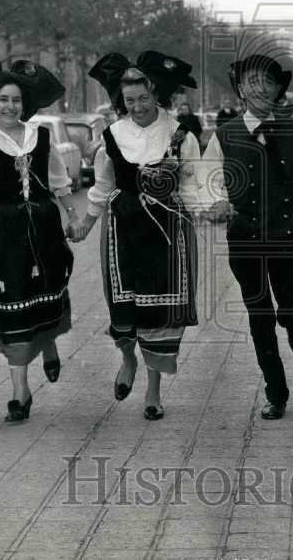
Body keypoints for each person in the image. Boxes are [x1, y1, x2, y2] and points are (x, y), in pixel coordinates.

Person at [76, 50, 202, 420]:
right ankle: (127, 359)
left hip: (166, 231)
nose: (137, 106)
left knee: (159, 313)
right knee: (125, 310)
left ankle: (153, 390)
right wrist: (85, 223)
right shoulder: (113, 135)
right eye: (129, 100)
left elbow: (193, 183)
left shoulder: (180, 134)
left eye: (143, 98)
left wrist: (204, 212)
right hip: (123, 229)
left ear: (155, 96)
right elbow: (101, 187)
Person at [0, 55, 79, 423]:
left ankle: (50, 343)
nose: (10, 107)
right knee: (13, 306)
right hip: (5, 233)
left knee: (48, 292)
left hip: (44, 229)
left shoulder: (40, 136)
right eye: (3, 100)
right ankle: (20, 391)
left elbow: (58, 182)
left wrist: (71, 214)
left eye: (16, 100)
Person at [200, 54, 293, 420]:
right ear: (240, 90)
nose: (259, 88)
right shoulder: (224, 134)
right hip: (245, 236)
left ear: (279, 88)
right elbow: (208, 179)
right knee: (259, 313)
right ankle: (276, 391)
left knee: (292, 298)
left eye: (266, 81)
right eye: (251, 82)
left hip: (288, 231)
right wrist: (217, 202)